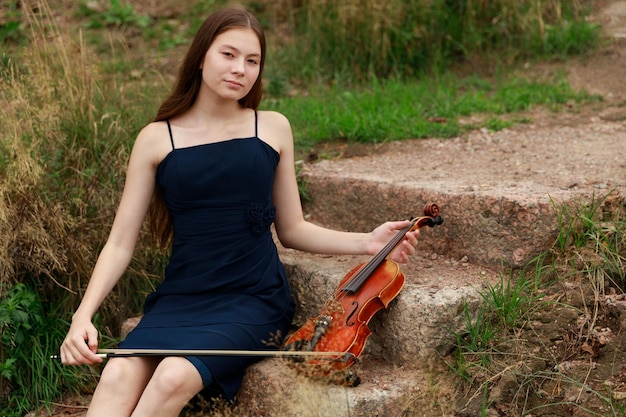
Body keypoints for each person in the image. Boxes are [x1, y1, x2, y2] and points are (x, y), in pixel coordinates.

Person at [59, 5, 420, 417]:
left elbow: (293, 229)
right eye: (228, 55)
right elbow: (121, 242)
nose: (240, 69)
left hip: (252, 299)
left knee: (172, 376)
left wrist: (367, 242)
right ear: (200, 57)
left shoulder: (270, 127)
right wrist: (81, 316)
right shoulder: (156, 138)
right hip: (182, 297)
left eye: (252, 61)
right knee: (117, 375)